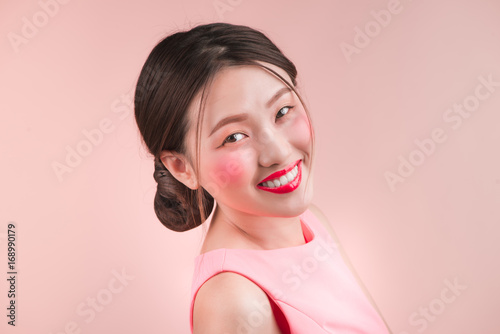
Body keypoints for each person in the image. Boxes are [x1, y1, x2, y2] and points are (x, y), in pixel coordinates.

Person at [134, 22, 392, 334]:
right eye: (235, 137)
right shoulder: (234, 303)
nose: (279, 153)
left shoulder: (310, 222)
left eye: (283, 112)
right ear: (180, 167)